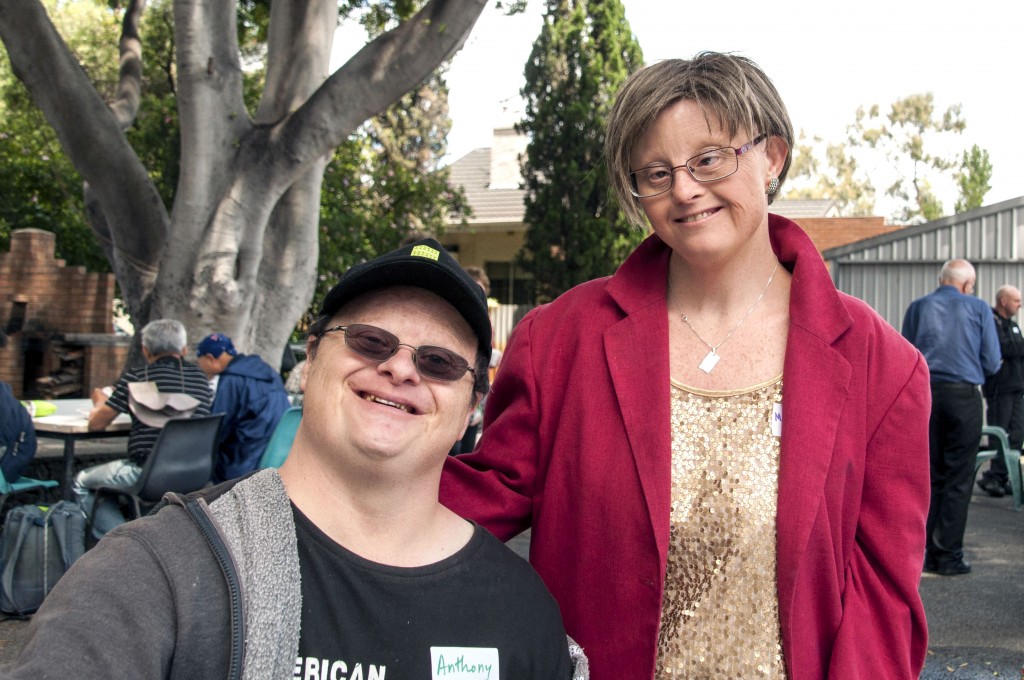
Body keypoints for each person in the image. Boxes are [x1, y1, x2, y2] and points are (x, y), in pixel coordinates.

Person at [440, 52, 931, 679]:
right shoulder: (559, 341)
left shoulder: (883, 367)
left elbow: (883, 601)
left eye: (709, 159)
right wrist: (329, 493)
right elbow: (473, 505)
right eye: (655, 172)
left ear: (772, 156)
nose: (684, 190)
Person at [2, 239, 584, 679]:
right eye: (370, 341)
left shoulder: (523, 613)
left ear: (472, 407)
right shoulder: (156, 576)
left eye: (438, 363)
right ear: (312, 359)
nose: (401, 368)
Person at [903, 259, 1001, 576]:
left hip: (925, 395)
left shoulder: (918, 307)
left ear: (941, 280)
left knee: (928, 475)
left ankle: (920, 553)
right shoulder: (978, 308)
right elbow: (992, 360)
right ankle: (946, 555)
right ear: (966, 285)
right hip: (963, 396)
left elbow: (905, 353)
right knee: (959, 479)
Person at [76, 319, 212, 537]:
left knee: (82, 481)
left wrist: (100, 401)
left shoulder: (136, 378)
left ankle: (124, 542)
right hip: (195, 473)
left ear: (146, 350)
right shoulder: (201, 380)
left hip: (147, 474)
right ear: (184, 350)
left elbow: (96, 424)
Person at [196, 332, 291, 482]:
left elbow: (217, 429)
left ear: (210, 358)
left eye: (199, 362)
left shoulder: (232, 380)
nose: (200, 368)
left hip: (244, 463)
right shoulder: (268, 371)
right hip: (277, 455)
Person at [450, 265, 502, 455]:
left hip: (476, 403)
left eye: (481, 292)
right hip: (455, 399)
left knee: (466, 457)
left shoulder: (488, 323)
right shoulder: (452, 318)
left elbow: (488, 358)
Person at [978, 284, 1024, 497]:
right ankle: (992, 477)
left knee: (1017, 433)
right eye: (1016, 301)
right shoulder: (992, 322)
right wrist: (1016, 349)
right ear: (1004, 301)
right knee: (999, 432)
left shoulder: (1013, 326)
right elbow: (1003, 348)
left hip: (1016, 388)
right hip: (999, 389)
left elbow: (1016, 349)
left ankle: (1003, 475)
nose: (1020, 305)